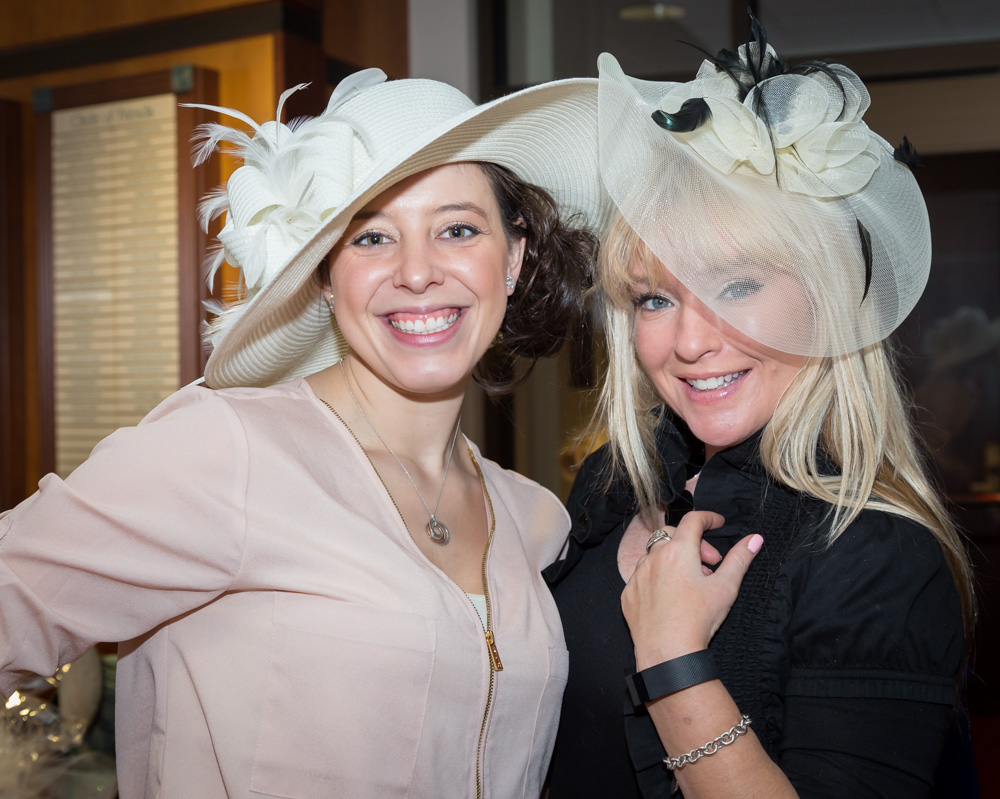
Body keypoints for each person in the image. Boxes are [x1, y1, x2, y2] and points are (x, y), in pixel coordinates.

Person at [0, 68, 610, 798]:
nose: (417, 272)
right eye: (372, 237)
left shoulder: (536, 521)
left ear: (511, 258)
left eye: (457, 229)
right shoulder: (229, 452)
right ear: (325, 276)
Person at [545, 20, 974, 799]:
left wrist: (672, 661)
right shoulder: (613, 486)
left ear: (825, 301)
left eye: (737, 285)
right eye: (655, 298)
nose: (689, 341)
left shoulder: (879, 556)